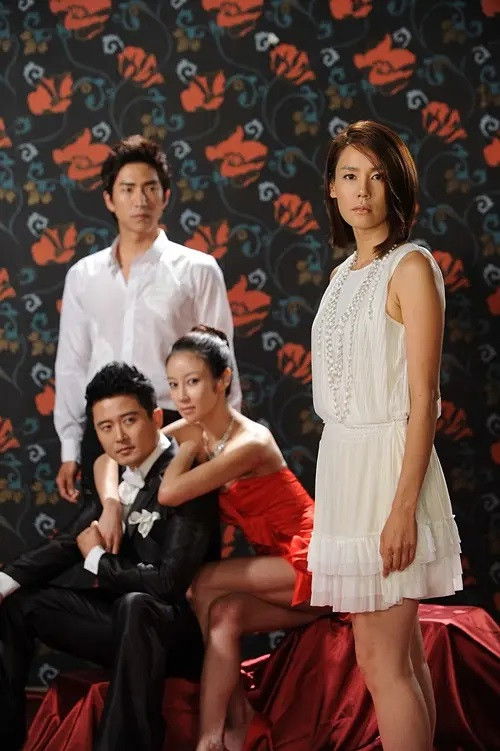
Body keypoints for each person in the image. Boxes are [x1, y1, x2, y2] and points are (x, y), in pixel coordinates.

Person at [94, 326, 325, 751]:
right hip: (278, 570)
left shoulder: (250, 442)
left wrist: (185, 448)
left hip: (313, 560)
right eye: (173, 385)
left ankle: (232, 720)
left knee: (202, 582)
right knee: (225, 614)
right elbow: (106, 459)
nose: (181, 396)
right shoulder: (196, 429)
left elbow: (169, 492)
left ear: (222, 380)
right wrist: (111, 504)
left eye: (193, 382)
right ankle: (215, 736)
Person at [308, 121, 463, 751]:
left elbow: (425, 401)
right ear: (332, 188)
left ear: (396, 186)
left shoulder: (411, 266)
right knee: (401, 660)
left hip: (390, 470)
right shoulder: (343, 274)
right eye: (350, 176)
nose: (362, 190)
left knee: (382, 661)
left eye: (376, 176)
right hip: (345, 469)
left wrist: (402, 510)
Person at [0, 362, 219, 751]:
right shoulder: (115, 477)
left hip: (176, 632)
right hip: (122, 620)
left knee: (137, 604)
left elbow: (168, 584)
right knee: (17, 604)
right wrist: (5, 581)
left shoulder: (188, 473)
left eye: (129, 420)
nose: (119, 437)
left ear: (155, 418)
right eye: (105, 427)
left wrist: (99, 561)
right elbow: (70, 542)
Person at [54, 134, 240, 527]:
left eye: (150, 188)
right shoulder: (83, 276)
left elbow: (222, 363)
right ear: (109, 199)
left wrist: (225, 444)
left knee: (181, 550)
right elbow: (72, 364)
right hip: (105, 430)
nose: (140, 200)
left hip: (179, 427)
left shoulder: (197, 270)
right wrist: (70, 447)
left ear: (165, 196)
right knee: (103, 542)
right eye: (128, 189)